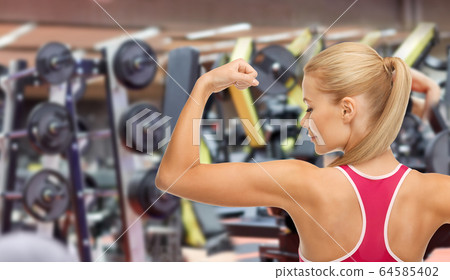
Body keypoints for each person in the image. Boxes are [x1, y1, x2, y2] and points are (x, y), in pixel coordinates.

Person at [156, 42, 450, 262]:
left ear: (347, 109)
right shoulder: (435, 191)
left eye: (310, 107)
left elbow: (174, 176)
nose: (304, 120)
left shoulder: (303, 183)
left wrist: (203, 85)